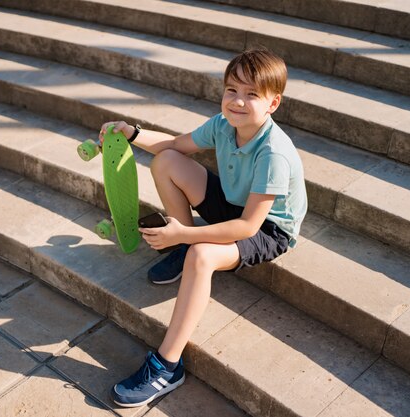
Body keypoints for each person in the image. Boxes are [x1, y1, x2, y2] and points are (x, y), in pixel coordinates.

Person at [99, 47, 308, 408]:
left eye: (252, 95)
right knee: (166, 161)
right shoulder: (223, 125)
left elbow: (246, 226)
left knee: (201, 254)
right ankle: (181, 249)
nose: (238, 102)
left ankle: (167, 366)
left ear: (273, 104)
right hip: (233, 203)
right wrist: (131, 133)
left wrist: (183, 233)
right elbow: (174, 145)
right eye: (232, 90)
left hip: (267, 229)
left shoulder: (273, 153)